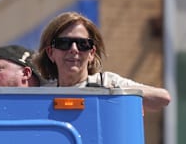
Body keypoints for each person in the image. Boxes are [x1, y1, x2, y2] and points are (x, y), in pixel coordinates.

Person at [34, 11, 171, 112]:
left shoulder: (107, 82)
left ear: (91, 54)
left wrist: (114, 94)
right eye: (64, 43)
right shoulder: (41, 94)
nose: (74, 49)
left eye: (83, 44)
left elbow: (163, 98)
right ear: (51, 53)